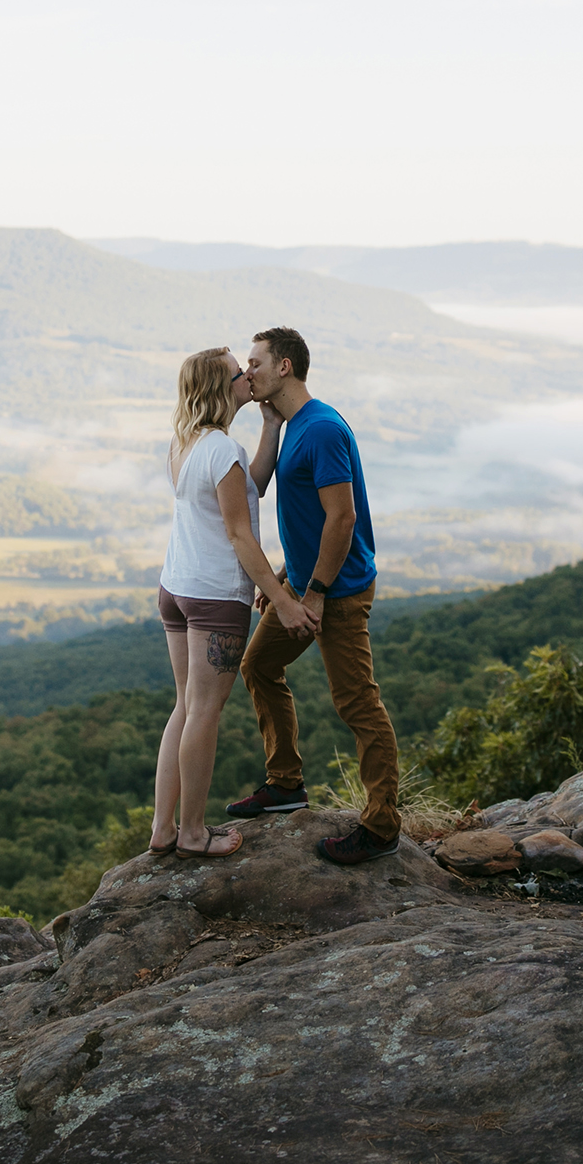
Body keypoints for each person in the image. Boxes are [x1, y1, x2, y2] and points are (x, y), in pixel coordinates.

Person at [225, 326, 404, 865]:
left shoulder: (322, 429)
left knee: (357, 703)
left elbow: (342, 518)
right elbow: (307, 517)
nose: (246, 371)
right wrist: (285, 576)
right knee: (258, 667)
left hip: (338, 591)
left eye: (254, 362)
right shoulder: (293, 426)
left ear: (284, 367)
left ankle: (381, 826)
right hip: (305, 584)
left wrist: (317, 592)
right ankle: (285, 785)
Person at [150, 347, 317, 859]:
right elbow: (241, 535)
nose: (247, 375)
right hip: (214, 597)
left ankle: (163, 830)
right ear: (220, 388)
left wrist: (269, 426)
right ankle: (195, 834)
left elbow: (247, 490)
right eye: (235, 372)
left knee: (185, 706)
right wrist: (284, 602)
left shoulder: (186, 442)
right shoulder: (223, 449)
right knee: (205, 711)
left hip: (175, 588)